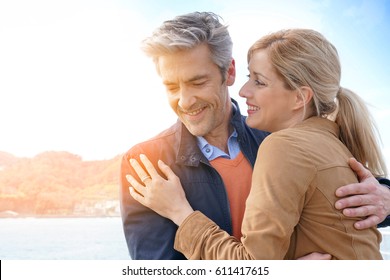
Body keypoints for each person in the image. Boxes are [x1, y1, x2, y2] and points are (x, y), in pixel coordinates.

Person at [120, 12, 390, 260]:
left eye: (197, 82)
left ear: (230, 72)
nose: (185, 100)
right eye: (171, 86)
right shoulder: (147, 163)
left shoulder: (279, 135)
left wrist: (387, 196)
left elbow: (345, 191)